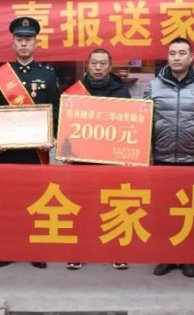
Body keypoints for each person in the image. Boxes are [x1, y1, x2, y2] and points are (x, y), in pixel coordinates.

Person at [0, 16, 60, 269]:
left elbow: (56, 109)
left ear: (35, 43)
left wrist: (53, 136)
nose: (23, 43)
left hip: (37, 151)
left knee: (37, 198)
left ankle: (35, 250)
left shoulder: (47, 75)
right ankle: (7, 249)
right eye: (19, 39)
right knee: (9, 200)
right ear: (13, 43)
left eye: (28, 39)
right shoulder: (0, 75)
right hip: (9, 149)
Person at [145, 37, 194, 278]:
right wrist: (148, 155)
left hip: (192, 159)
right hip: (161, 158)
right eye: (172, 53)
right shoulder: (153, 86)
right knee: (163, 210)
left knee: (189, 210)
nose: (176, 57)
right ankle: (165, 256)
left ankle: (187, 257)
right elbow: (145, 124)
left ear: (191, 57)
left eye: (182, 53)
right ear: (167, 57)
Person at [65, 48, 130, 272]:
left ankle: (117, 252)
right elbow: (66, 126)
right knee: (81, 206)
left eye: (103, 63)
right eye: (94, 63)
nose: (98, 67)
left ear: (110, 67)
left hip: (112, 162)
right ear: (87, 65)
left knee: (114, 205)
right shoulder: (75, 92)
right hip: (82, 161)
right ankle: (78, 252)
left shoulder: (121, 92)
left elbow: (131, 126)